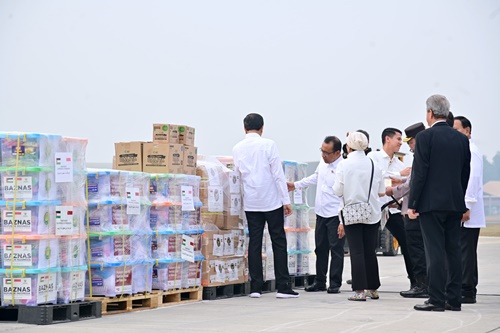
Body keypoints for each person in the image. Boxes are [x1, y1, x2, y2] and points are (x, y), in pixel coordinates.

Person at [408, 95, 470, 312]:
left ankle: (436, 299)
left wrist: (412, 203)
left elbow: (420, 173)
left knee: (434, 252)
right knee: (453, 251)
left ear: (430, 113)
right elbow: (465, 173)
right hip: (454, 203)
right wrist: (459, 199)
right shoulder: (461, 139)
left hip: (431, 204)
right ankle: (454, 299)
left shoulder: (425, 137)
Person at [232, 113, 299, 299]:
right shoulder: (268, 145)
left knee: (254, 241)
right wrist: (286, 201)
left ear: (244, 128)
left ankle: (255, 287)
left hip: (251, 202)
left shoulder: (237, 148)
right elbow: (278, 174)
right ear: (262, 128)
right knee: (278, 241)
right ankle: (283, 287)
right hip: (271, 201)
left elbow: (236, 176)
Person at [287, 136, 345, 294]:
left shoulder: (343, 167)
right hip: (321, 213)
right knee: (320, 249)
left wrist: (342, 221)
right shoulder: (323, 163)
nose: (323, 155)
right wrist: (295, 185)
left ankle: (335, 283)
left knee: (336, 250)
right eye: (322, 151)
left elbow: (346, 194)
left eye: (327, 153)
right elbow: (315, 178)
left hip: (335, 215)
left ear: (337, 152)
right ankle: (320, 282)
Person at [333, 131, 385, 301]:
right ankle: (372, 289)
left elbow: (338, 190)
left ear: (349, 146)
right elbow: (381, 191)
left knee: (356, 251)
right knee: (370, 251)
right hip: (372, 212)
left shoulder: (344, 165)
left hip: (352, 212)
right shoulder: (373, 164)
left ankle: (359, 291)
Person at [368, 128, 415, 292]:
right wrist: (397, 174)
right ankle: (366, 282)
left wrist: (400, 199)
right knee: (368, 247)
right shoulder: (373, 157)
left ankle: (416, 282)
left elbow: (405, 184)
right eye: (398, 139)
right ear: (387, 139)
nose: (401, 142)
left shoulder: (399, 163)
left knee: (407, 244)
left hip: (392, 209)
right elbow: (374, 175)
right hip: (374, 209)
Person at [386, 122, 429, 298]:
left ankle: (421, 286)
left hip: (414, 211)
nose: (408, 145)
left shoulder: (421, 155)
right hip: (412, 207)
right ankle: (423, 284)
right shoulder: (425, 154)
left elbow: (412, 184)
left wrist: (393, 190)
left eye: (410, 142)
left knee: (416, 250)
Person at [453, 115, 485, 304]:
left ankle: (467, 290)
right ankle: (465, 288)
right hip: (464, 208)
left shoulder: (472, 150)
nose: (454, 134)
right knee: (463, 251)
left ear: (467, 130)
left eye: (457, 130)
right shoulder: (464, 149)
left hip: (468, 211)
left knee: (466, 252)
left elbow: (473, 180)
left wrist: (466, 206)